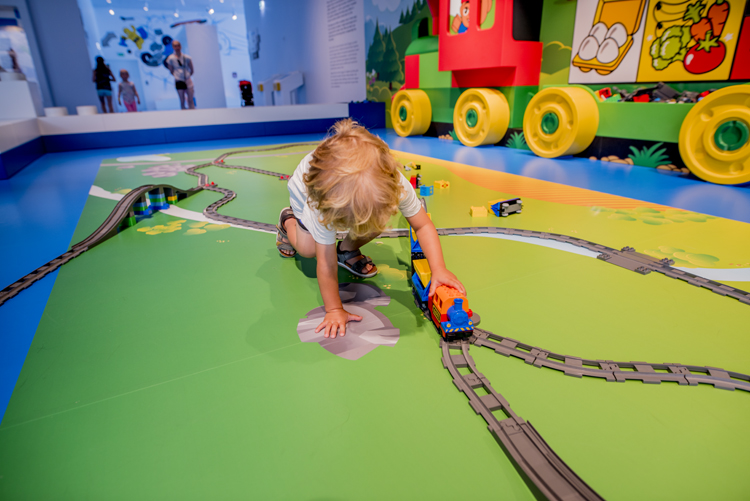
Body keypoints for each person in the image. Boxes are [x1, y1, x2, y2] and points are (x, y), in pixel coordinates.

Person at [276, 119, 465, 339]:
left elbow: (422, 225)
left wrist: (438, 268)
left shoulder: (394, 184)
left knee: (375, 223)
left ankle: (346, 251)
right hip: (304, 193)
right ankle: (287, 221)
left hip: (344, 196)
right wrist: (334, 309)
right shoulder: (321, 206)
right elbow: (325, 263)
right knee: (308, 250)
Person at [164, 40, 195, 109]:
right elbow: (171, 70)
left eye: (178, 45)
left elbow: (192, 70)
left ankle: (193, 112)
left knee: (190, 100)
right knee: (182, 100)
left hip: (187, 79)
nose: (177, 47)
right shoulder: (170, 59)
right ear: (173, 47)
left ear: (180, 46)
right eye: (175, 46)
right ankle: (184, 113)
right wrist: (177, 76)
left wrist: (187, 76)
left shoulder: (187, 57)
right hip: (178, 80)